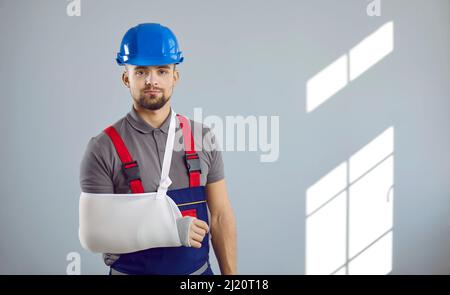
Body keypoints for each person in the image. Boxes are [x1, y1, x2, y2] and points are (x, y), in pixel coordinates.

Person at [78, 23, 237, 275]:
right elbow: (93, 236)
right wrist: (167, 231)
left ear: (175, 76)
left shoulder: (202, 137)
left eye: (162, 71)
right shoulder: (103, 147)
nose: (152, 80)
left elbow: (219, 216)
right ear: (125, 77)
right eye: (141, 72)